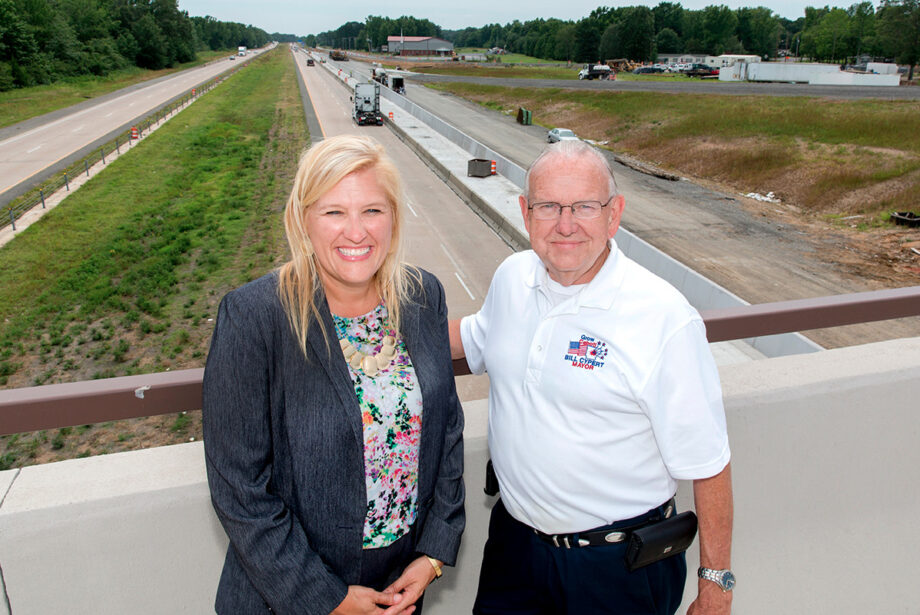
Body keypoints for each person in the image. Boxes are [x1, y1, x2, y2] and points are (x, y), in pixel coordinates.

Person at [449, 140, 733, 615]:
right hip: (515, 551)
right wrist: (368, 327)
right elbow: (472, 338)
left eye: (584, 206)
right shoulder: (511, 278)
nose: (565, 224)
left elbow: (709, 464)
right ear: (525, 211)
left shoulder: (662, 317)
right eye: (548, 206)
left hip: (616, 568)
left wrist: (716, 586)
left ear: (614, 214)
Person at [203, 134, 465, 615]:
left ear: (393, 218)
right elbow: (240, 489)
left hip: (398, 586)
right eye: (333, 212)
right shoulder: (254, 317)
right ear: (303, 221)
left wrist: (433, 553)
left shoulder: (422, 296)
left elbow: (446, 430)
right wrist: (328, 599)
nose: (356, 232)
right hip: (288, 595)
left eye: (372, 211)